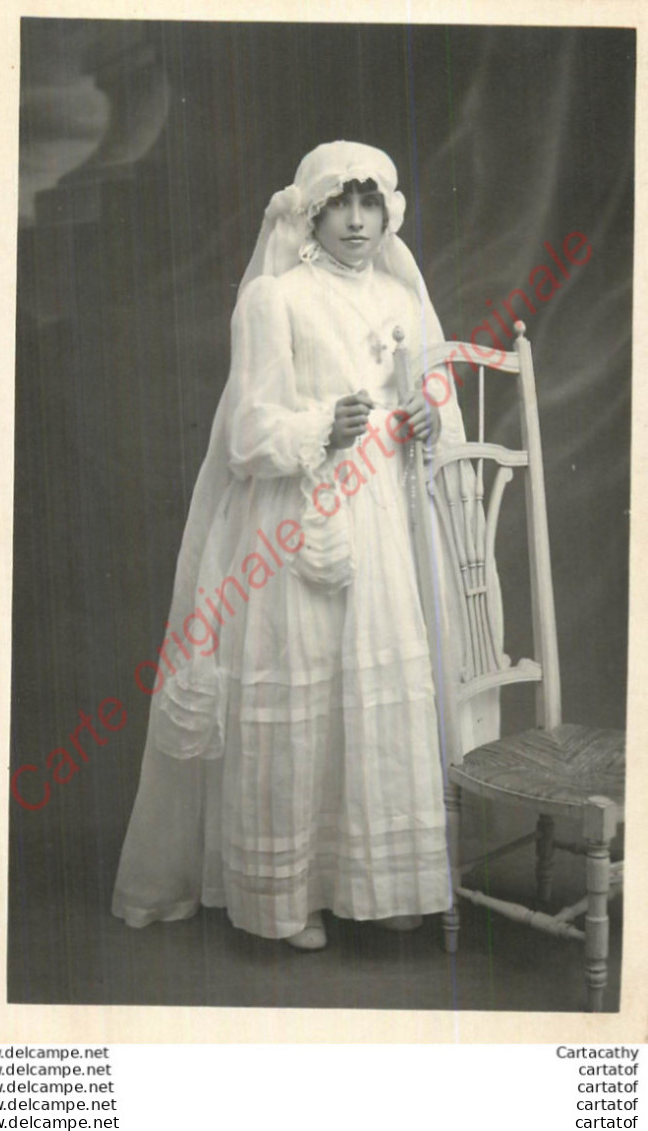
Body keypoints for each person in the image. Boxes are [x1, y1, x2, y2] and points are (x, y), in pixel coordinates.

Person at [112, 141, 499, 950]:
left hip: (385, 525)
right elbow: (248, 433)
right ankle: (288, 900)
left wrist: (428, 413)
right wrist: (324, 426)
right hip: (298, 525)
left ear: (387, 211)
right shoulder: (274, 299)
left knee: (377, 701)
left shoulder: (402, 297)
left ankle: (382, 881)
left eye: (369, 203)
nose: (356, 220)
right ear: (310, 210)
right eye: (339, 204)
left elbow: (432, 396)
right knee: (307, 700)